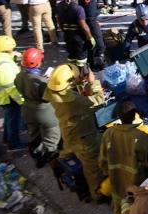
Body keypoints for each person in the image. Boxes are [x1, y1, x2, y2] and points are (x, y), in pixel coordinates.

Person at [44, 64, 106, 201]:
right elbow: (98, 101)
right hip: (83, 136)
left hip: (68, 131)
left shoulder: (53, 92)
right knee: (93, 168)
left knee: (68, 150)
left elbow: (70, 92)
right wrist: (92, 82)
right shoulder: (73, 102)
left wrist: (78, 82)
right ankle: (97, 193)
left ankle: (60, 163)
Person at [99, 101, 148, 214]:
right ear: (134, 116)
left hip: (117, 186)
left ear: (118, 116)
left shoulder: (108, 134)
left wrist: (110, 174)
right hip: (136, 190)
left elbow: (102, 161)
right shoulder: (141, 137)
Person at [14, 48, 60, 167]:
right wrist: (48, 81)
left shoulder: (20, 76)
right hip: (44, 111)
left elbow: (18, 87)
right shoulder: (41, 81)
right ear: (38, 61)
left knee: (34, 133)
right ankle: (47, 157)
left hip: (27, 109)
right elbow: (46, 98)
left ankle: (36, 153)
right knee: (52, 135)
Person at [57, 0, 94, 67]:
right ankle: (82, 73)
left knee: (71, 55)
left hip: (67, 35)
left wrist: (64, 30)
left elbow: (59, 20)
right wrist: (90, 37)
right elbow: (84, 26)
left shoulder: (60, 5)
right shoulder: (78, 9)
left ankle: (73, 71)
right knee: (81, 58)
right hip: (78, 37)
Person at [79, 0, 106, 69]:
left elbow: (90, 7)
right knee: (100, 45)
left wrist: (99, 7)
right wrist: (101, 11)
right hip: (91, 22)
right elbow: (90, 14)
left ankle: (92, 63)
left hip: (89, 20)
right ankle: (97, 64)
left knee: (91, 44)